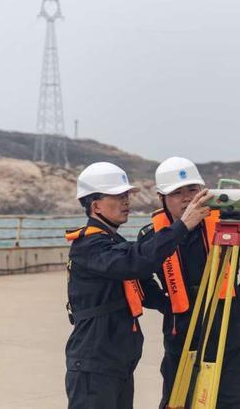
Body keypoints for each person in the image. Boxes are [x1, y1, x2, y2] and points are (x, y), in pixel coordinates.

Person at [64, 161, 211, 409]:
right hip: (94, 363)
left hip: (116, 363)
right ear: (95, 205)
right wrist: (182, 226)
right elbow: (134, 264)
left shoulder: (112, 241)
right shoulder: (89, 246)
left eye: (127, 195)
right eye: (118, 196)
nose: (126, 201)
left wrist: (181, 309)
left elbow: (144, 288)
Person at [138, 157, 240, 409]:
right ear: (162, 198)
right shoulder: (153, 235)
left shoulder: (228, 224)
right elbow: (139, 274)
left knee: (232, 401)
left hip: (228, 332)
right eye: (177, 193)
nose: (186, 198)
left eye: (192, 190)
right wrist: (165, 304)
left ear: (203, 190)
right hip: (181, 334)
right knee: (178, 401)